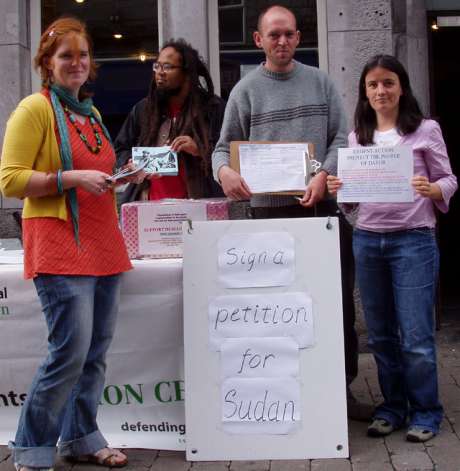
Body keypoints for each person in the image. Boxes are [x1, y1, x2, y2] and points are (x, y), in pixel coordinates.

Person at [211, 4, 369, 420]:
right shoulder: (244, 91)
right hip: (268, 219)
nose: (282, 42)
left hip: (322, 213)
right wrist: (225, 171)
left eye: (289, 34)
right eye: (273, 35)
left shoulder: (320, 83)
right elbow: (221, 149)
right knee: (278, 307)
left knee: (335, 304)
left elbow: (342, 138)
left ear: (299, 39)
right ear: (258, 40)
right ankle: (282, 392)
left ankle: (341, 390)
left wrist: (324, 175)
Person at [0, 17, 135, 469]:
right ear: (47, 63)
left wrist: (126, 178)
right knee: (69, 353)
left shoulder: (90, 113)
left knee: (93, 354)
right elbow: (10, 180)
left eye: (82, 55)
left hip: (103, 242)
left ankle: (80, 437)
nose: (76, 63)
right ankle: (31, 448)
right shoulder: (33, 110)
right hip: (60, 244)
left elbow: (99, 178)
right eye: (65, 56)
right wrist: (71, 178)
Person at [327, 54, 457, 442]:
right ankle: (392, 407)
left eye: (388, 83)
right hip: (368, 240)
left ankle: (426, 411)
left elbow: (449, 179)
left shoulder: (425, 130)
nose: (380, 90)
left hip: (413, 240)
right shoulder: (357, 137)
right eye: (372, 85)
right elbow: (353, 205)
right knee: (381, 334)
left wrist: (433, 190)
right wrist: (341, 191)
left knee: (415, 336)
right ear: (364, 94)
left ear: (401, 87)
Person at [114, 39, 226, 204]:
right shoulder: (144, 109)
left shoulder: (212, 108)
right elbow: (120, 148)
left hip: (198, 208)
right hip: (149, 207)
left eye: (167, 67)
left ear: (187, 73)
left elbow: (229, 155)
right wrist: (129, 162)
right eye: (157, 66)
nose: (160, 72)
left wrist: (199, 149)